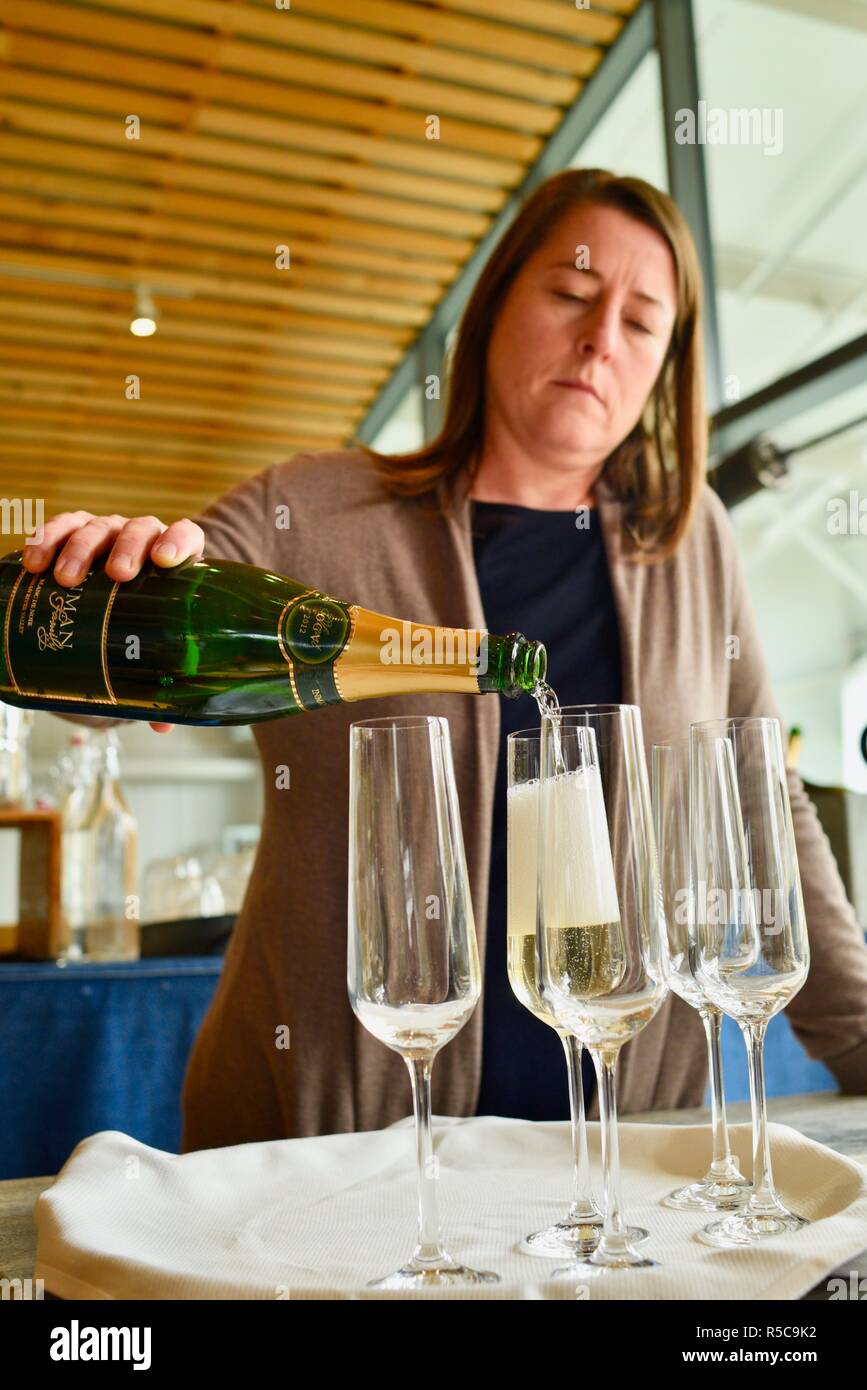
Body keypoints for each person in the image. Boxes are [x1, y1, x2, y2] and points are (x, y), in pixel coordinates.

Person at [24, 169, 867, 1150]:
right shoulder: (314, 511)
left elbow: (773, 802)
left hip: (634, 1143)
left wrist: (857, 1038)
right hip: (333, 1146)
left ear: (664, 370)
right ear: (496, 302)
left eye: (642, 323)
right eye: (570, 293)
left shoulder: (693, 543)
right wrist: (102, 584)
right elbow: (122, 676)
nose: (601, 338)